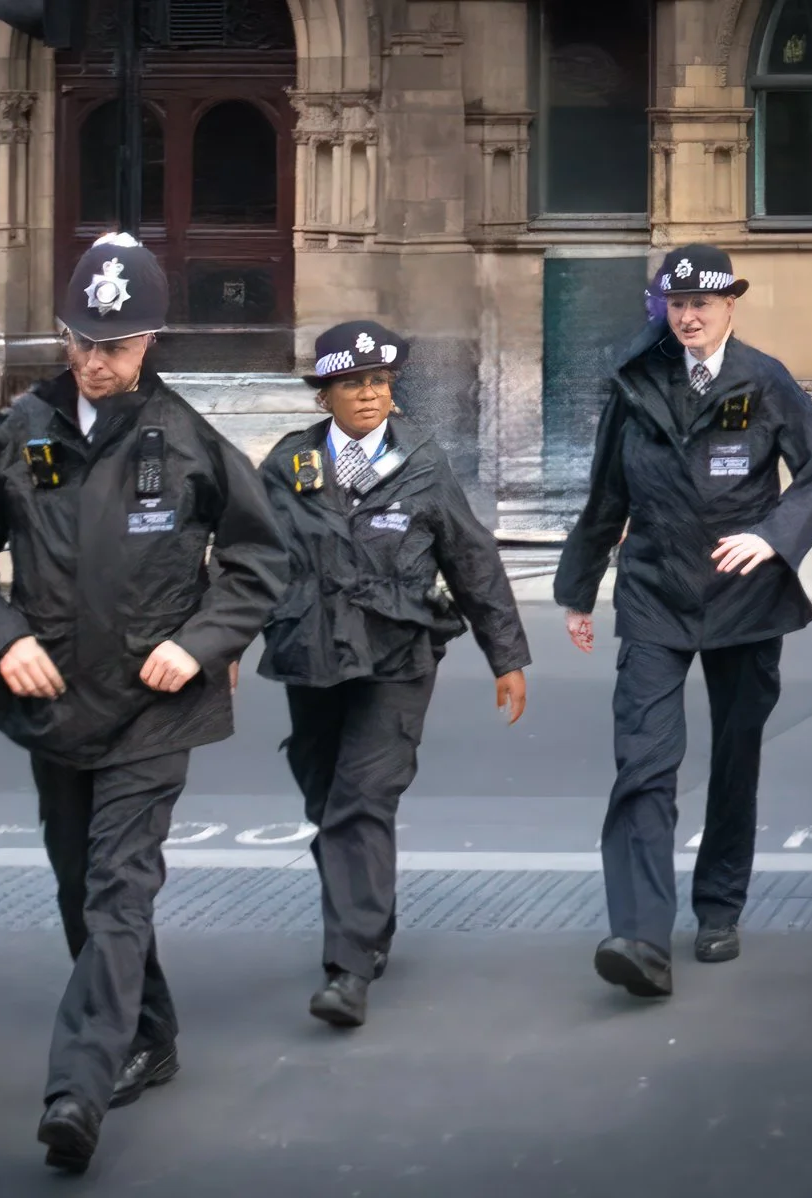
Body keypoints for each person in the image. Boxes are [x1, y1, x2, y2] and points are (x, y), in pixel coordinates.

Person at [0, 232, 288, 1173]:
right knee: (81, 890)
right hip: (55, 705)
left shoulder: (188, 439)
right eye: (83, 340)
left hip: (153, 707)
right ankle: (153, 1030)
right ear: (61, 334)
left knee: (120, 888)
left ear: (151, 342)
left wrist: (199, 643)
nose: (96, 361)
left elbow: (258, 562)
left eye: (116, 345)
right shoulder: (20, 433)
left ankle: (77, 1089)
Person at [554, 244, 812, 998]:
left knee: (735, 756)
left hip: (745, 596)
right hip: (654, 591)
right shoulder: (638, 381)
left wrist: (775, 536)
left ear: (729, 307)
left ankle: (718, 907)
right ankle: (641, 935)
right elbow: (605, 492)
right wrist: (579, 589)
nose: (688, 316)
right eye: (676, 304)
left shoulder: (763, 379)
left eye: (703, 304)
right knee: (643, 761)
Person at [256, 320, 531, 1028]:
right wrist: (218, 646)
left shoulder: (423, 463)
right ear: (325, 395)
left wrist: (506, 656)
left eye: (380, 381)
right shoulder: (288, 466)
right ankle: (368, 921)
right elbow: (247, 563)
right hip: (312, 657)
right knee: (326, 799)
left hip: (396, 657)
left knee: (360, 799)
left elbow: (472, 560)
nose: (371, 394)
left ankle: (346, 968)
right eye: (353, 383)